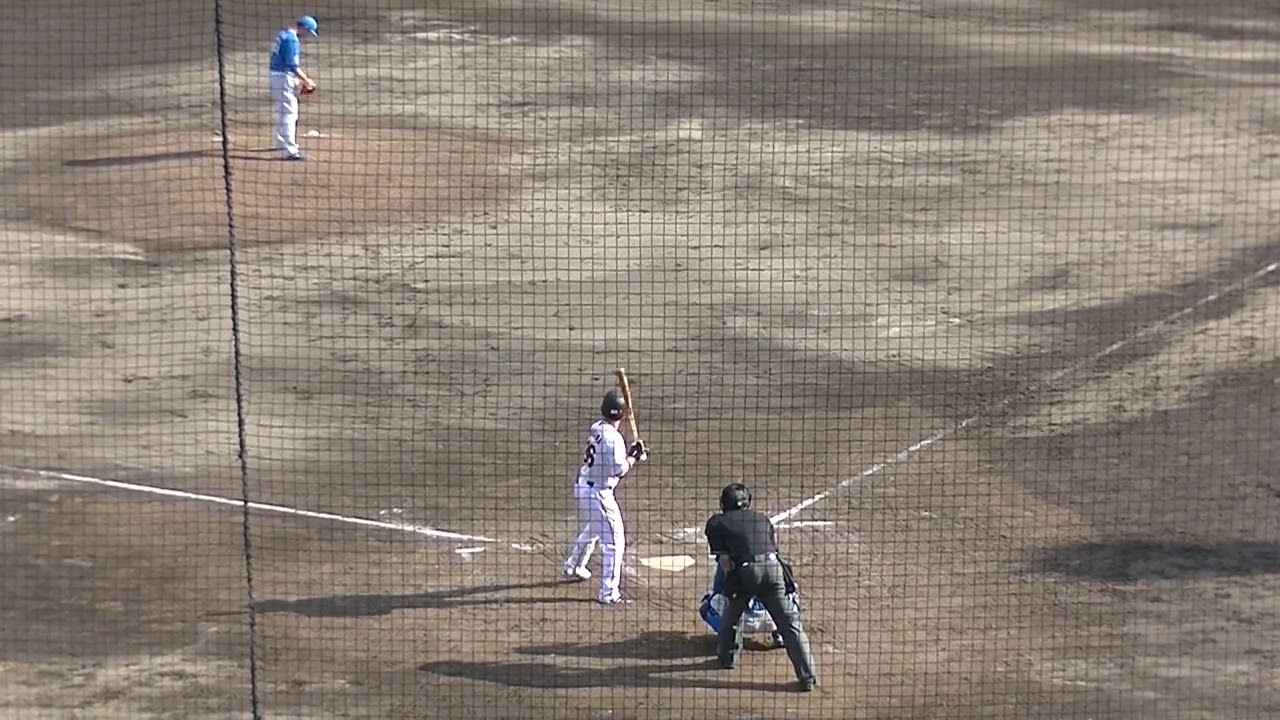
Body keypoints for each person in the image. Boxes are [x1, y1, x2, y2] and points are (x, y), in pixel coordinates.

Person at [705, 483, 818, 691]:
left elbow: (725, 563)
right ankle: (808, 677)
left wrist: (735, 589)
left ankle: (727, 659)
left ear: (723, 503)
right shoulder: (762, 519)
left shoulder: (716, 523)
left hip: (745, 571)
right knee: (790, 625)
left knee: (730, 618)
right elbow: (771, 551)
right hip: (774, 570)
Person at [561, 389, 647, 605]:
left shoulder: (597, 428)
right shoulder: (614, 439)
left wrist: (632, 452)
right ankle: (608, 593)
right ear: (622, 414)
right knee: (615, 542)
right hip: (598, 493)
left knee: (595, 529)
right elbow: (618, 469)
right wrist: (633, 457)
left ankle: (574, 565)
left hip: (584, 486)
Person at [698, 551, 802, 648]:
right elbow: (790, 588)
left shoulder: (727, 555)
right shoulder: (771, 552)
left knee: (707, 604)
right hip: (774, 618)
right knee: (790, 594)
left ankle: (730, 639)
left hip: (741, 620)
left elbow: (720, 590)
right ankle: (781, 634)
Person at [268, 15, 319, 161]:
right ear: (304, 28)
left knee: (282, 111)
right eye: (308, 32)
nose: (307, 35)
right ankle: (290, 151)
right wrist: (306, 80)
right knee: (290, 113)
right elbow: (292, 65)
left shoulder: (283, 34)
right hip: (283, 77)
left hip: (276, 75)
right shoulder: (292, 40)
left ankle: (281, 143)